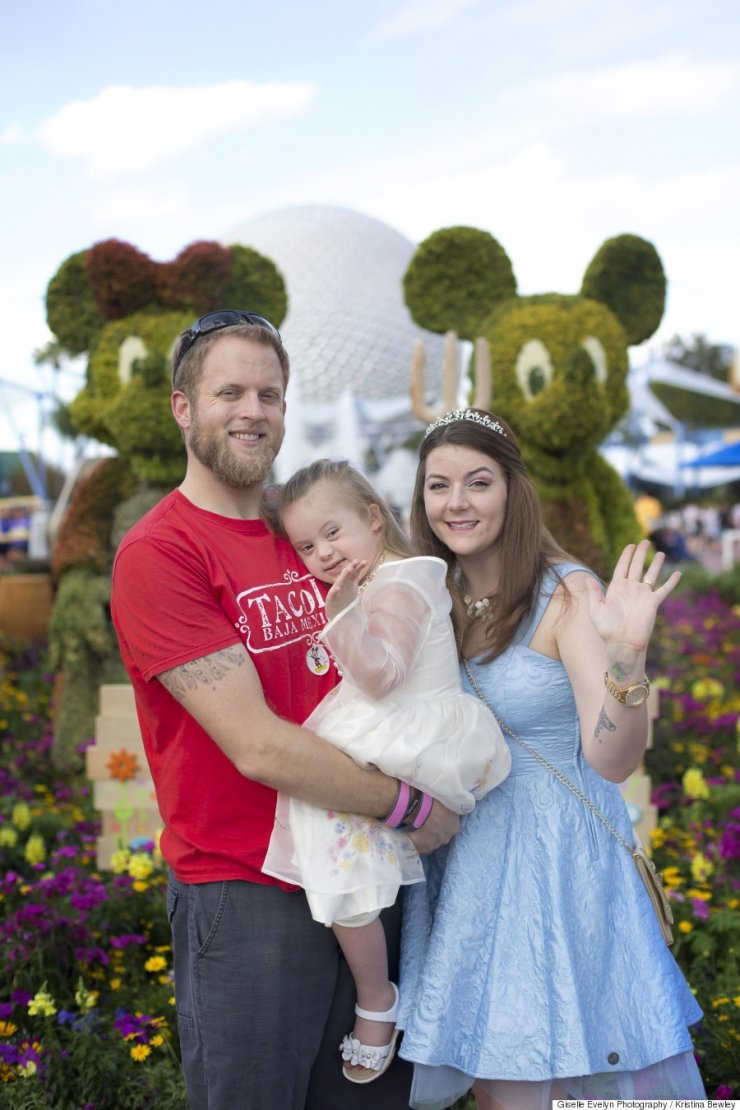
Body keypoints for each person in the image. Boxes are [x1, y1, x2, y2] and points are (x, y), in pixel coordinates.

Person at [110, 310, 459, 1110]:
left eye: (270, 393)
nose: (253, 410)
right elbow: (259, 747)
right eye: (229, 390)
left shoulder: (303, 530)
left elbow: (428, 584)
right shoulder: (162, 553)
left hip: (370, 870)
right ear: (183, 408)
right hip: (250, 893)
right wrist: (411, 805)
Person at [396, 409, 705, 1109]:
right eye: (438, 485)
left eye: (479, 482)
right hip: (468, 861)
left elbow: (612, 758)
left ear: (512, 489)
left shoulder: (568, 593)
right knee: (504, 1083)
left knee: (559, 1077)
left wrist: (628, 658)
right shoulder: (425, 597)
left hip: (557, 861)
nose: (457, 503)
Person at [261, 460, 510, 1084]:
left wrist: (340, 614)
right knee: (335, 838)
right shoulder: (374, 577)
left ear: (374, 516)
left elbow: (382, 676)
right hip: (389, 730)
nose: (322, 555)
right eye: (307, 546)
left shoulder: (401, 579)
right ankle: (378, 991)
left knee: (329, 833)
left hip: (414, 733)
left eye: (333, 533)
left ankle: (378, 998)